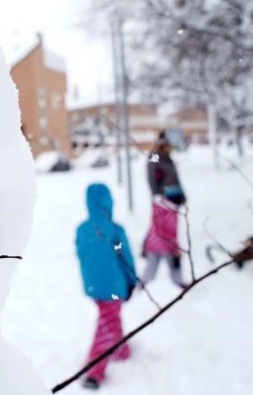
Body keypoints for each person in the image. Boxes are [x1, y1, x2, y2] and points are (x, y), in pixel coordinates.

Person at [76, 183, 138, 390]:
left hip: (94, 286)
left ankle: (121, 349)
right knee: (107, 322)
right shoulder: (115, 230)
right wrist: (131, 281)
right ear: (108, 202)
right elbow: (126, 258)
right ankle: (95, 372)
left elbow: (82, 255)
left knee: (110, 317)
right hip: (113, 285)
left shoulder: (82, 230)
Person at [141, 131, 187, 288]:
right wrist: (156, 195)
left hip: (173, 201)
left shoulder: (169, 159)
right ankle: (151, 270)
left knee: (171, 237)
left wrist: (182, 195)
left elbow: (175, 178)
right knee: (161, 234)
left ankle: (176, 275)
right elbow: (151, 173)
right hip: (162, 202)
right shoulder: (155, 156)